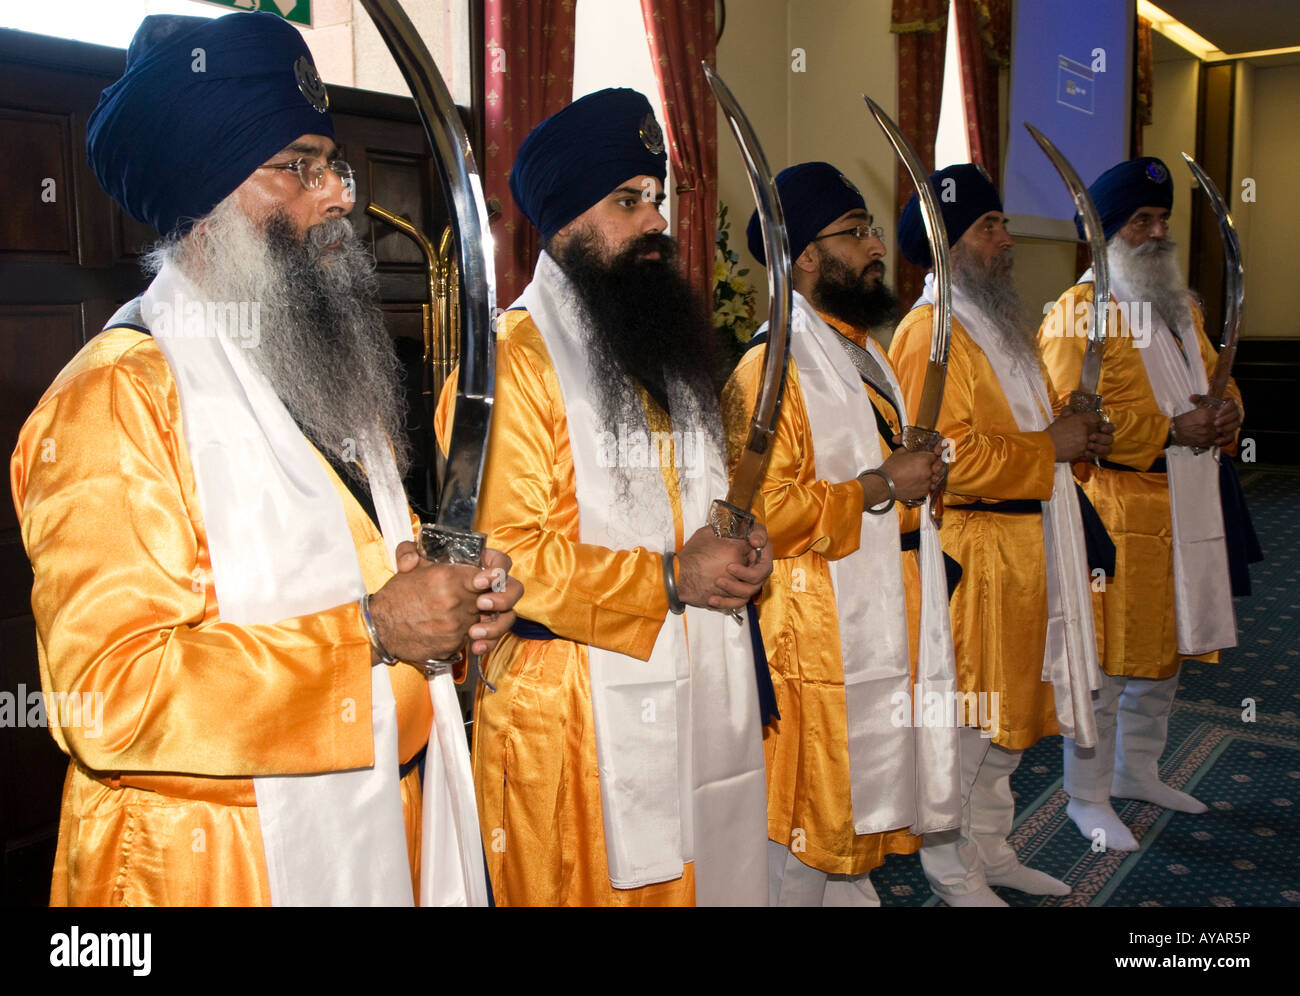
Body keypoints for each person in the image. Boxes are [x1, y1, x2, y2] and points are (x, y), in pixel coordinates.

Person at [9, 11, 522, 907]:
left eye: (334, 166)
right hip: (215, 867)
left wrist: (450, 617)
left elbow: (370, 599)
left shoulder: (319, 364)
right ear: (205, 199)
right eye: (298, 168)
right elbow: (106, 696)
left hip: (382, 830)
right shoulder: (117, 399)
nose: (339, 197)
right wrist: (371, 632)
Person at [435, 88, 773, 906]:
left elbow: (699, 508)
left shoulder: (662, 346)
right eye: (628, 200)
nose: (656, 220)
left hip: (698, 682)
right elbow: (497, 560)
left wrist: (738, 536)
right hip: (570, 718)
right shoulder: (511, 362)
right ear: (564, 221)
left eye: (658, 198)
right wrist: (665, 579)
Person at [721, 162, 958, 906]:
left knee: (854, 804)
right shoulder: (769, 367)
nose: (875, 244)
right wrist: (884, 485)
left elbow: (886, 472)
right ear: (805, 258)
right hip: (811, 632)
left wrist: (918, 478)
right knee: (803, 818)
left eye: (870, 228)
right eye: (853, 232)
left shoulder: (866, 354)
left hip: (884, 610)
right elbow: (755, 517)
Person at [890, 164, 1113, 906]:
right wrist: (1052, 444)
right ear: (950, 244)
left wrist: (1077, 427)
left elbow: (1036, 426)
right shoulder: (930, 332)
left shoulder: (1001, 325)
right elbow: (943, 455)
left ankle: (992, 848)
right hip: (971, 551)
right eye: (990, 226)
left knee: (1008, 718)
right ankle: (953, 874)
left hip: (1030, 546)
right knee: (966, 724)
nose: (1007, 238)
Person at [1038, 157, 1246, 850]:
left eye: (1162, 220)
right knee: (1103, 668)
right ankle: (1085, 796)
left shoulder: (1179, 306)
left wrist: (1225, 416)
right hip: (1116, 517)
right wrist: (1167, 431)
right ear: (1102, 233)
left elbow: (1218, 378)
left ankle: (1138, 771)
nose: (1158, 233)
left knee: (1167, 653)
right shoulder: (1076, 314)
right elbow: (1071, 423)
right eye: (1141, 221)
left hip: (1189, 507)